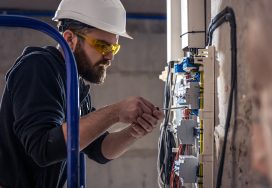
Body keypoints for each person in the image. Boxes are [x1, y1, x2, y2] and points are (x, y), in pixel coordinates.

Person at [0, 0, 164, 187]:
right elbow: (44, 149)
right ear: (70, 39)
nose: (109, 56)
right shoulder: (38, 68)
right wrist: (116, 112)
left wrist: (134, 131)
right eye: (103, 46)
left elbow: (100, 150)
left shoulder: (74, 83)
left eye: (113, 48)